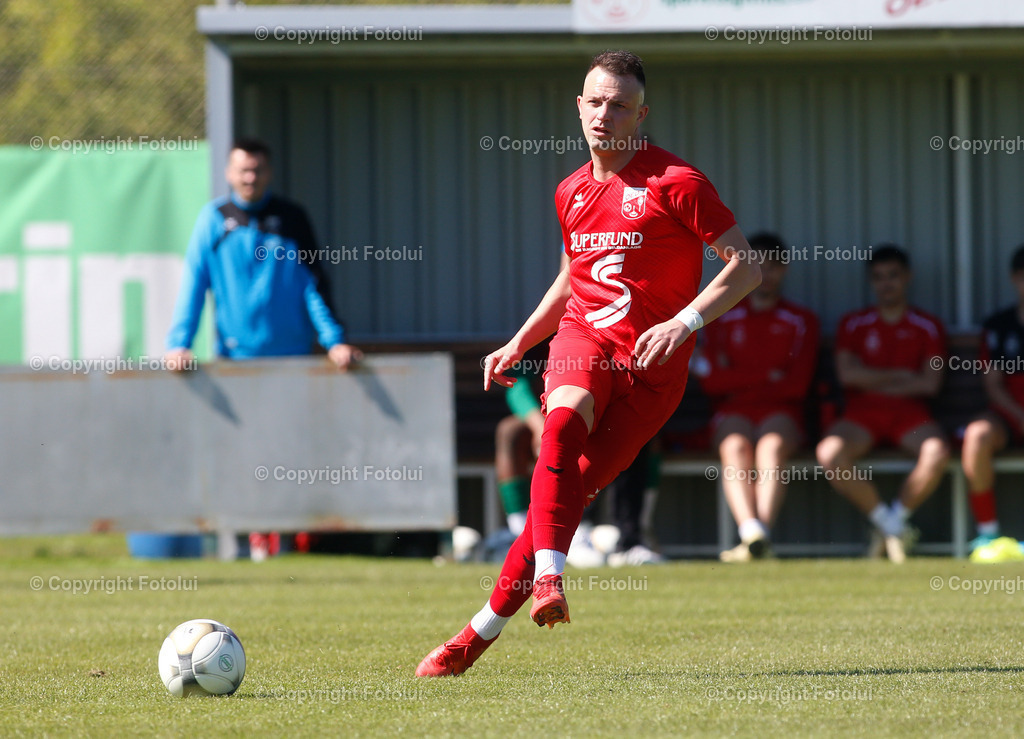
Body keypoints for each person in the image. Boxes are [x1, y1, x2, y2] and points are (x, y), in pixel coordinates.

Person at [415, 50, 761, 677]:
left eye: (620, 105)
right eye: (595, 101)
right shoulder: (571, 190)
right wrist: (521, 341)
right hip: (585, 340)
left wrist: (684, 322)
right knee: (561, 423)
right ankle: (551, 578)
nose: (605, 114)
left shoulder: (676, 182)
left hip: (654, 372)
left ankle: (475, 636)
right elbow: (572, 279)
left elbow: (746, 264)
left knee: (564, 499)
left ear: (641, 114)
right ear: (578, 105)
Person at [164, 137, 362, 559]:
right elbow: (195, 284)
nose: (249, 176)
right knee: (240, 456)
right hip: (237, 365)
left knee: (288, 452)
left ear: (267, 172)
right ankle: (240, 541)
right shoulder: (213, 220)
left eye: (256, 169)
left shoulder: (291, 219)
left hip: (291, 363)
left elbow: (314, 286)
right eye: (242, 169)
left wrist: (334, 340)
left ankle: (286, 541)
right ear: (228, 173)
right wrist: (179, 343)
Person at [816, 245, 949, 564]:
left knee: (937, 452)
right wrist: (901, 374)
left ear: (907, 278)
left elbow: (929, 383)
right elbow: (848, 376)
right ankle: (891, 526)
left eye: (893, 276)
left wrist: (871, 376)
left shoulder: (927, 325)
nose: (886, 284)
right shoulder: (853, 324)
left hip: (910, 415)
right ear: (870, 282)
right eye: (878, 278)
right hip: (862, 415)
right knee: (830, 452)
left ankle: (892, 523)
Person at [699, 233, 820, 562]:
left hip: (782, 411)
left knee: (771, 446)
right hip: (733, 409)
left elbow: (797, 386)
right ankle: (754, 533)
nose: (765, 272)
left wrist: (738, 379)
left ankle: (756, 538)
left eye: (773, 265)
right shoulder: (720, 317)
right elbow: (712, 382)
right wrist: (767, 375)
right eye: (758, 264)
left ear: (784, 270)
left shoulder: (802, 321)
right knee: (735, 444)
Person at [960, 244, 1024, 550]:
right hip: (1009, 416)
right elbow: (994, 384)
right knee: (977, 435)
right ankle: (988, 537)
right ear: (1015, 279)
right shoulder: (998, 326)